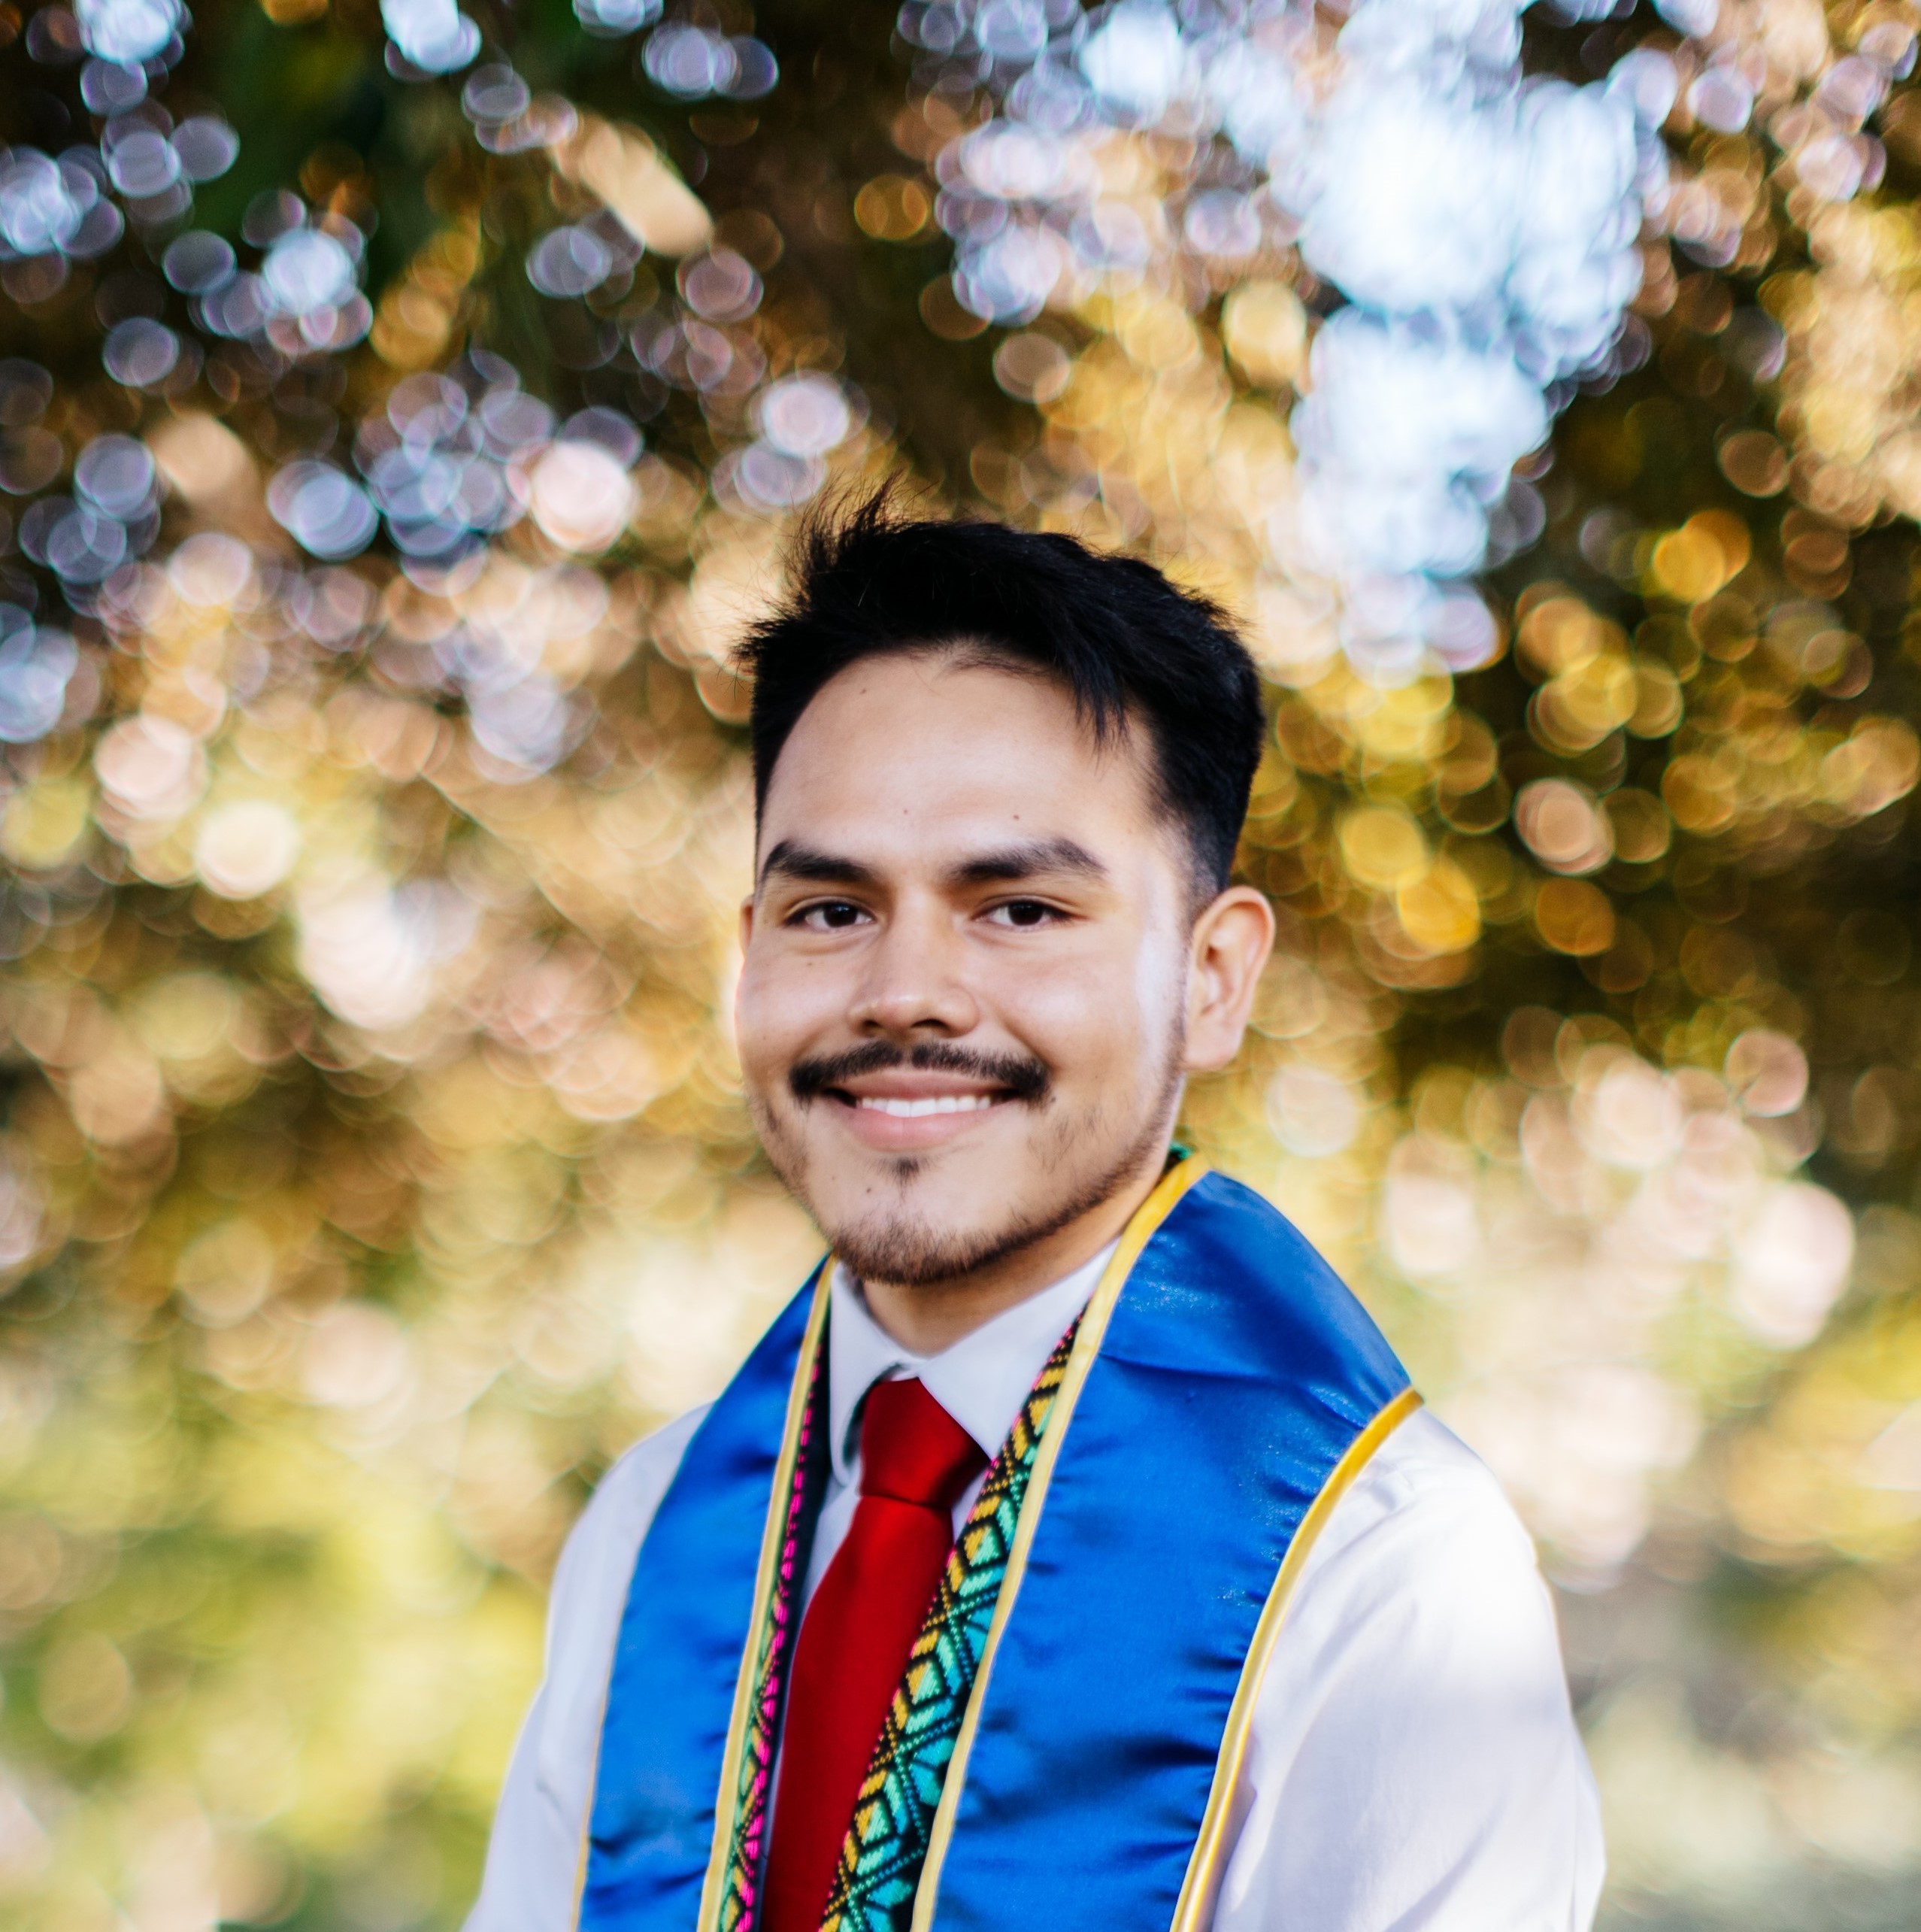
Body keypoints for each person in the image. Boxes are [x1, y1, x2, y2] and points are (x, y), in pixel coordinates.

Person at [465, 498, 1604, 1932]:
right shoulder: (655, 1534)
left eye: (1018, 909)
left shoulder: (1381, 1564)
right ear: (748, 955)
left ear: (1212, 973)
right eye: (830, 909)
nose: (907, 990)